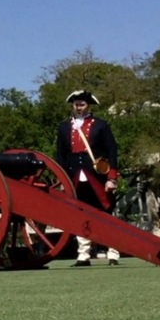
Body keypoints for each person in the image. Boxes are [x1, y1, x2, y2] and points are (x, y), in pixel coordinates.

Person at [54, 90, 122, 267]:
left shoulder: (100, 125)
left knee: (106, 212)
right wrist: (62, 179)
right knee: (80, 214)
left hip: (97, 175)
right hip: (74, 174)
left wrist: (112, 178)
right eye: (76, 104)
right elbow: (60, 155)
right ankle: (83, 255)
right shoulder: (63, 127)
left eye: (82, 104)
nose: (78, 107)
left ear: (88, 106)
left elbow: (112, 151)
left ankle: (113, 252)